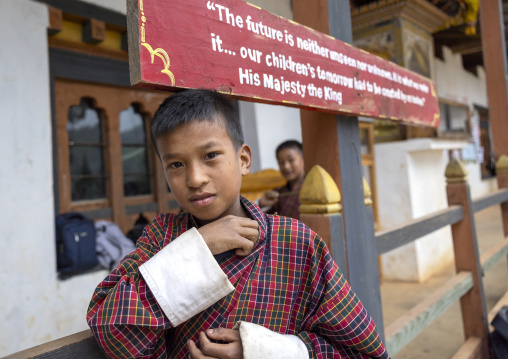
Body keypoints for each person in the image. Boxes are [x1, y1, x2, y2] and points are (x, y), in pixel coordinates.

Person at [86, 89, 390, 359]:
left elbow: (362, 351)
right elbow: (109, 327)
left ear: (243, 159)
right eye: (176, 164)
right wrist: (200, 248)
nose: (195, 178)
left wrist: (266, 351)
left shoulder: (296, 243)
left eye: (210, 155)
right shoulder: (161, 238)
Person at [258, 140, 305, 220]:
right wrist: (261, 205)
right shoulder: (277, 194)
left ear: (304, 159)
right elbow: (267, 221)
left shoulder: (311, 191)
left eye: (291, 160)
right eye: (281, 162)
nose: (286, 166)